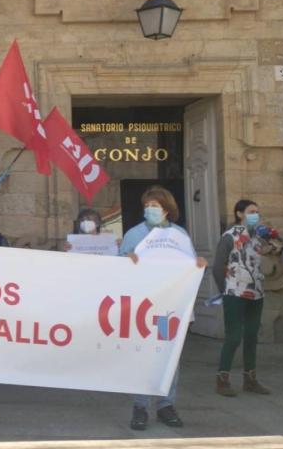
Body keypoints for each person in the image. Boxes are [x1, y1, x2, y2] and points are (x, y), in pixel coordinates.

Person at [120, 185, 207, 431]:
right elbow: (117, 266)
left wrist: (198, 263)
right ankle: (140, 406)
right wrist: (126, 260)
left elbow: (189, 266)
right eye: (147, 206)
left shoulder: (179, 235)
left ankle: (166, 405)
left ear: (167, 209)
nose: (150, 209)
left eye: (155, 206)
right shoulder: (134, 234)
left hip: (171, 307)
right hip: (143, 307)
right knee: (143, 355)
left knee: (170, 356)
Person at [212, 199, 272, 396]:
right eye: (251, 211)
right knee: (234, 336)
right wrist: (225, 290)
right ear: (239, 213)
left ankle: (250, 379)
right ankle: (222, 379)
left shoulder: (257, 236)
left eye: (257, 212)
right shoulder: (229, 236)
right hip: (234, 292)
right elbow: (218, 266)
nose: (256, 215)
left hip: (256, 292)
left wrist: (273, 240)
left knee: (252, 335)